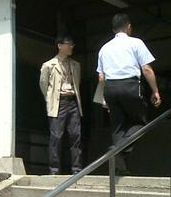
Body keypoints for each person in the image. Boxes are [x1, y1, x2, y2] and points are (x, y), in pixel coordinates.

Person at [97, 13, 162, 174]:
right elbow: (146, 68)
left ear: (113, 29)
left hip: (110, 89)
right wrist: (155, 91)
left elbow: (101, 77)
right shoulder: (136, 43)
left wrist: (105, 99)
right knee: (140, 123)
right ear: (128, 26)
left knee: (118, 126)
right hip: (130, 86)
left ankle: (121, 167)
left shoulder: (104, 48)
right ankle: (118, 149)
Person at [39, 35, 83, 175]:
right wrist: (50, 99)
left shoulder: (76, 65)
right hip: (59, 102)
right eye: (68, 44)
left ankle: (76, 169)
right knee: (56, 137)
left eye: (72, 44)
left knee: (76, 135)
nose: (71, 47)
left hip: (73, 101)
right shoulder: (49, 65)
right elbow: (43, 85)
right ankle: (54, 169)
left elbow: (77, 83)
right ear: (60, 46)